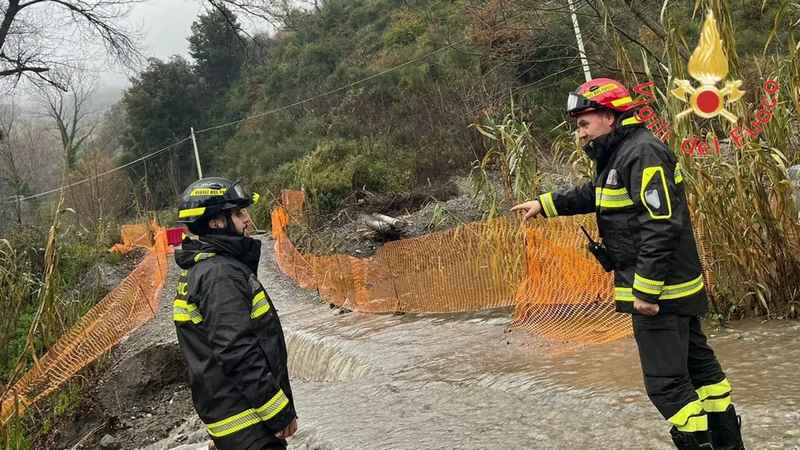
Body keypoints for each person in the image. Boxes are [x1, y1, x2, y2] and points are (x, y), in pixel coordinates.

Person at [512, 78, 744, 450]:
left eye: (584, 123)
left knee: (667, 386)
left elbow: (661, 225)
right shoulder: (621, 154)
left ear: (609, 116)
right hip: (673, 290)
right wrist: (546, 204)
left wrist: (647, 291)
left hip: (660, 294)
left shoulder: (642, 152)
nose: (580, 133)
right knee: (702, 376)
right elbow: (598, 193)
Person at [173, 177, 298, 450]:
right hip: (248, 424)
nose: (247, 220)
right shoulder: (220, 275)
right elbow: (237, 350)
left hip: (236, 422)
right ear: (217, 222)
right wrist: (278, 413)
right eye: (239, 213)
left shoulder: (203, 270)